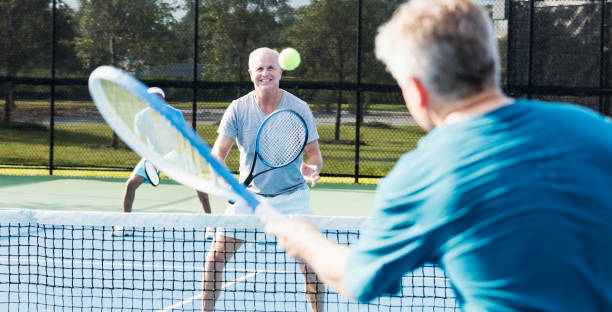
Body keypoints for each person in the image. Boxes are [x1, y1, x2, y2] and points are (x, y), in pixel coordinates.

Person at [265, 0, 612, 311]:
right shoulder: (597, 129)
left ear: (415, 89)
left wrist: (305, 240)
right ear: (492, 62)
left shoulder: (425, 173)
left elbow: (357, 280)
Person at [202, 47, 324, 311]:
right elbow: (218, 155)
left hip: (293, 198)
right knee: (214, 261)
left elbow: (314, 154)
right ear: (251, 74)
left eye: (270, 67)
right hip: (250, 198)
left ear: (280, 71)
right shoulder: (238, 108)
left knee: (313, 267)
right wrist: (226, 183)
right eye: (259, 68)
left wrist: (313, 167)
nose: (265, 73)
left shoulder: (299, 108)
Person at [112, 87, 212, 237]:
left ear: (163, 100)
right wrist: (153, 160)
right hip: (153, 155)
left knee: (199, 186)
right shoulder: (140, 118)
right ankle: (126, 224)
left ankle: (210, 225)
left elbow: (183, 140)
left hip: (179, 154)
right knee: (131, 184)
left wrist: (169, 158)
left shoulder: (174, 114)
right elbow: (141, 142)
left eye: (158, 98)